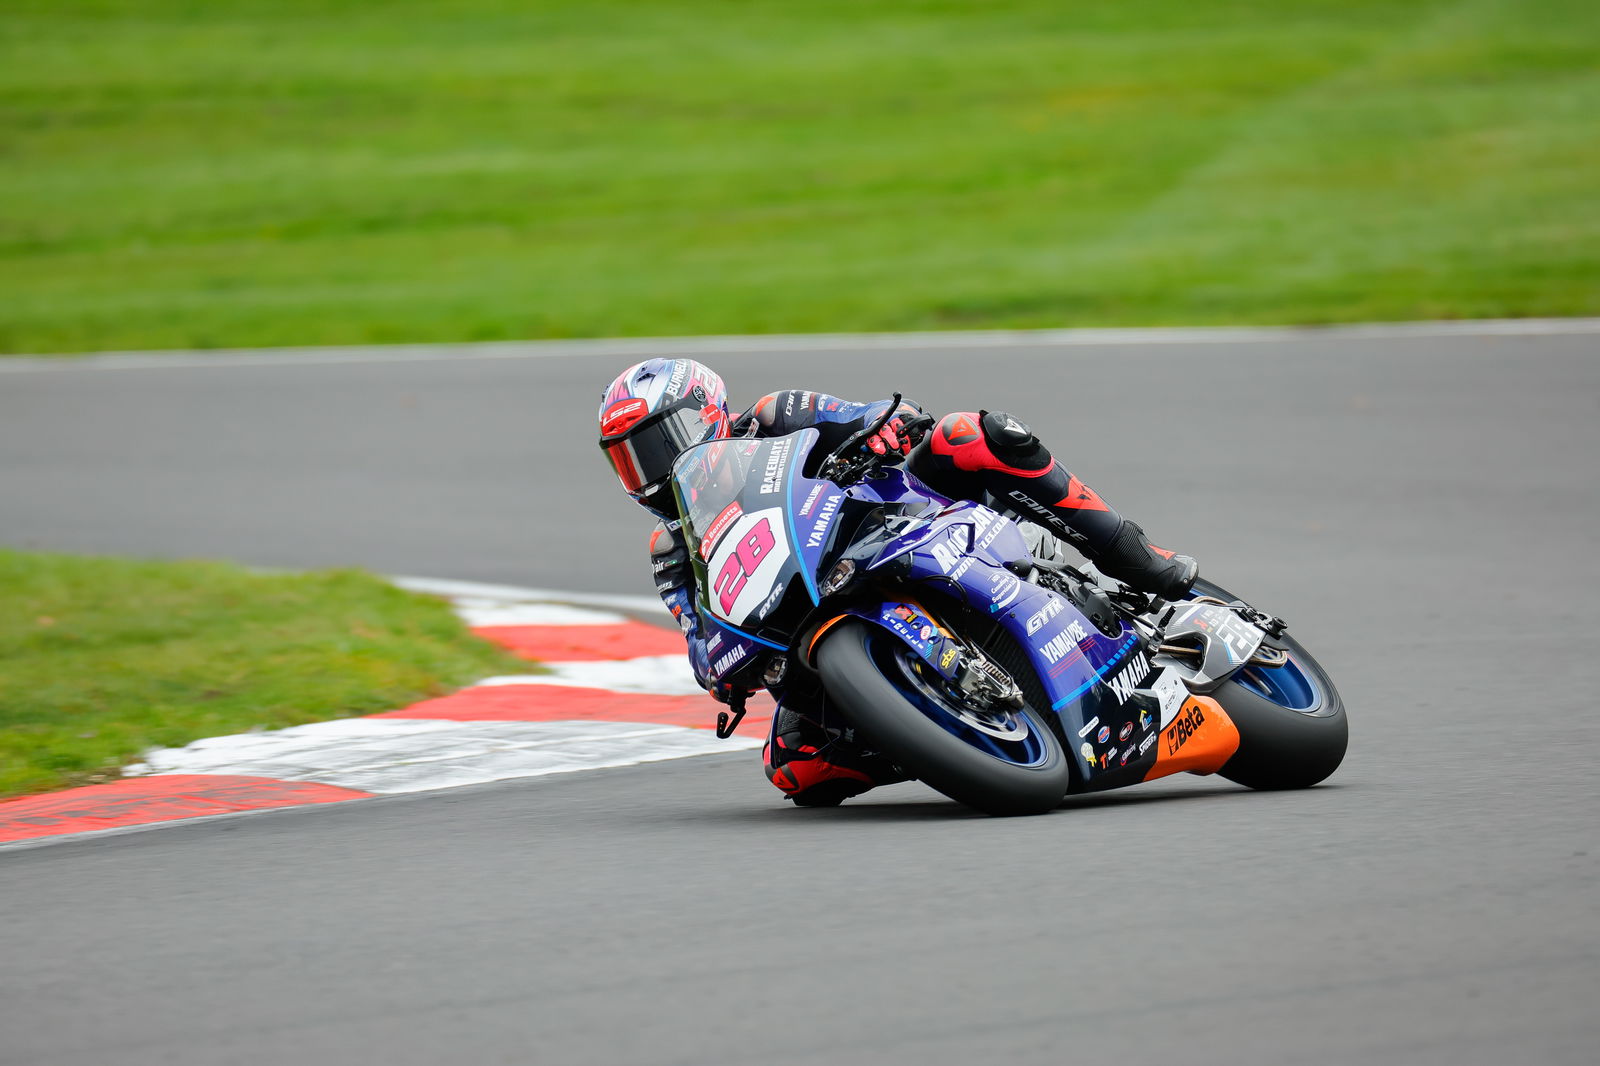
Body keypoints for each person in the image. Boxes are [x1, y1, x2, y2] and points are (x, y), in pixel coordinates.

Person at [598, 358, 1197, 806]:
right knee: (796, 769)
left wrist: (886, 428)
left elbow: (867, 416)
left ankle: (1130, 552)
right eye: (629, 459)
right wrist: (722, 676)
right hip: (806, 619)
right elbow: (698, 632)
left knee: (971, 433)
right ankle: (938, 731)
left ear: (705, 413)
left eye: (657, 444)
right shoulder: (674, 549)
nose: (649, 471)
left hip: (899, 521)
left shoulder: (775, 415)